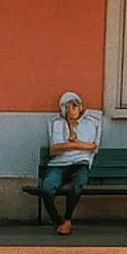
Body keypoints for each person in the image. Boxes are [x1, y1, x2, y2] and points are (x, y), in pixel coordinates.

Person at [38, 91, 101, 235]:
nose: (72, 109)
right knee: (47, 189)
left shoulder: (90, 124)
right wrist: (77, 145)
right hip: (58, 166)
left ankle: (67, 219)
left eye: (75, 105)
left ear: (80, 107)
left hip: (80, 164)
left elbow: (92, 146)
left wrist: (73, 144)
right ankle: (58, 221)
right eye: (68, 106)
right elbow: (54, 149)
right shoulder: (57, 124)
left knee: (78, 185)